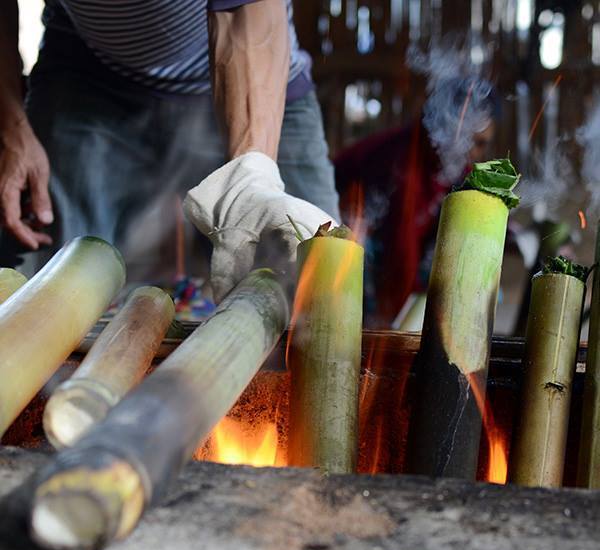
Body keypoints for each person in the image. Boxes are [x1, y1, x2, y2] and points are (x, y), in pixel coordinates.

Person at [0, 0, 339, 301]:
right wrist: (12, 129)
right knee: (39, 281)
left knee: (322, 272)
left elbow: (245, 11)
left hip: (255, 74)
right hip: (89, 71)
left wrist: (251, 177)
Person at [335, 76, 497, 327]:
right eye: (475, 143)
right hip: (347, 241)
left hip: (395, 252)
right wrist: (400, 334)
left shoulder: (451, 163)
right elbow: (399, 251)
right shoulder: (402, 164)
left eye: (482, 145)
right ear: (452, 129)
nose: (477, 154)